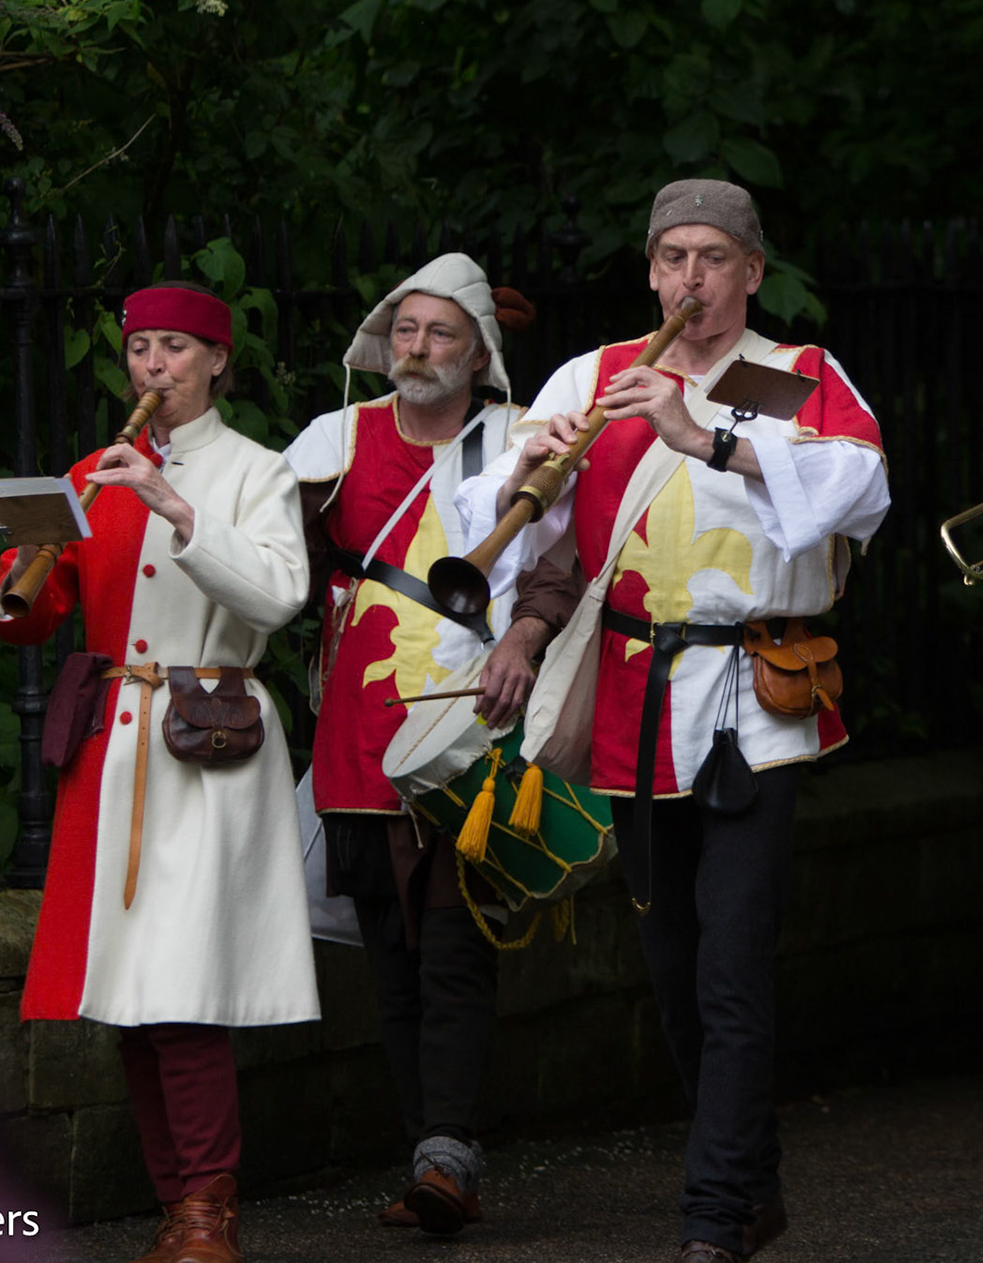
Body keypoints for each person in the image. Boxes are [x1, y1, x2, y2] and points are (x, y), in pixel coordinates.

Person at [456, 179, 889, 1263]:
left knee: (734, 965)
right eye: (671, 258)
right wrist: (527, 466)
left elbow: (855, 488)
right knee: (674, 968)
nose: (689, 279)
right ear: (649, 270)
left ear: (751, 270)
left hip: (757, 701)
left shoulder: (797, 377)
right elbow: (498, 528)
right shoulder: (592, 376)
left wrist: (699, 435)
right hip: (635, 704)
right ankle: (751, 1181)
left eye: (712, 258)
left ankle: (707, 1221)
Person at [0, 283, 317, 1263]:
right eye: (141, 350)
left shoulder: (259, 471)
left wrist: (172, 502)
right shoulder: (91, 473)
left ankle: (212, 1216)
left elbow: (276, 597)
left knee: (183, 990)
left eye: (176, 348)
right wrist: (23, 574)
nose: (154, 367)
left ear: (217, 360)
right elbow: (34, 616)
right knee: (128, 995)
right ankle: (181, 1210)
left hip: (211, 743)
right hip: (116, 749)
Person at [282, 253, 572, 1236]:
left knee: (452, 942)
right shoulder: (336, 437)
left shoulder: (521, 441)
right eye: (405, 329)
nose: (417, 348)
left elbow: (562, 562)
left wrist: (526, 638)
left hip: (470, 729)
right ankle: (429, 1155)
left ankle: (447, 1152)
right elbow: (269, 550)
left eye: (439, 332)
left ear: (476, 349)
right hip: (359, 734)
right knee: (394, 956)